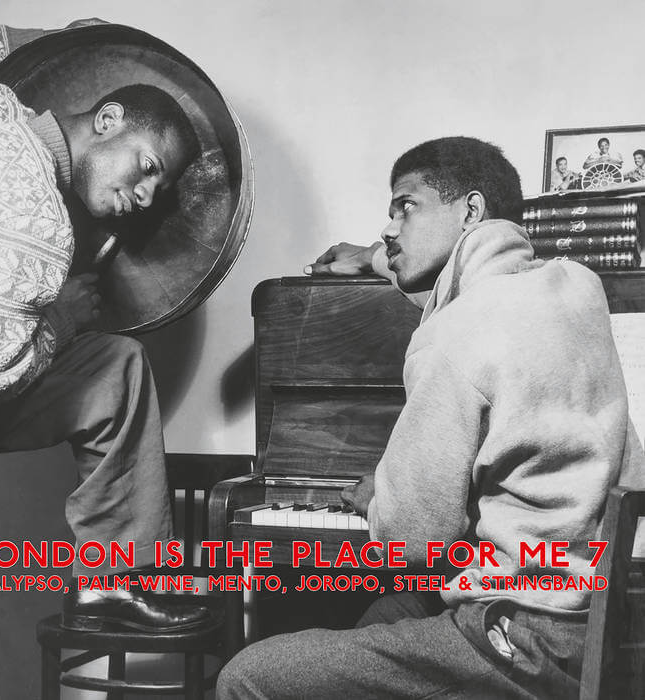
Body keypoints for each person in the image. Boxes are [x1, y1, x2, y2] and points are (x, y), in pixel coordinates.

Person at [217, 136, 645, 699]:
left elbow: (413, 540)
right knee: (385, 614)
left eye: (406, 207)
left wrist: (379, 496)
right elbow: (463, 274)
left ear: (470, 211)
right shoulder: (575, 287)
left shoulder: (457, 332)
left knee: (246, 675)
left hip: (513, 636)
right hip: (588, 618)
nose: (389, 229)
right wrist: (373, 258)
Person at [0, 21, 206, 699]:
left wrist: (71, 34)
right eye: (148, 167)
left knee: (115, 369)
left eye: (158, 189)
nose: (146, 197)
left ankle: (112, 584)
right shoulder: (34, 216)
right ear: (107, 119)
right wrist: (58, 320)